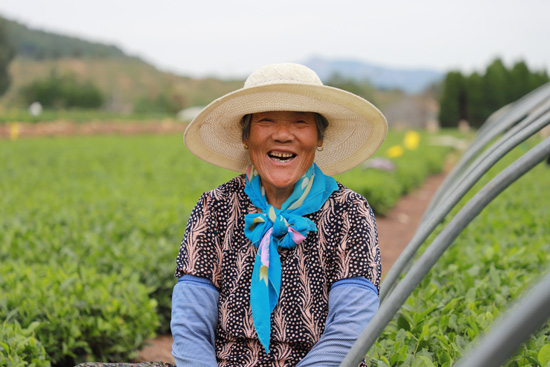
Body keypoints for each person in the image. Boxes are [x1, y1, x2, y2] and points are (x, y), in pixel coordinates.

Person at [171, 63, 387, 367]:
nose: (283, 135)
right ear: (245, 136)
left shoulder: (349, 211)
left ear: (319, 138)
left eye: (300, 122)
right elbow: (190, 327)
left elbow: (350, 332)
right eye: (267, 120)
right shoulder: (215, 206)